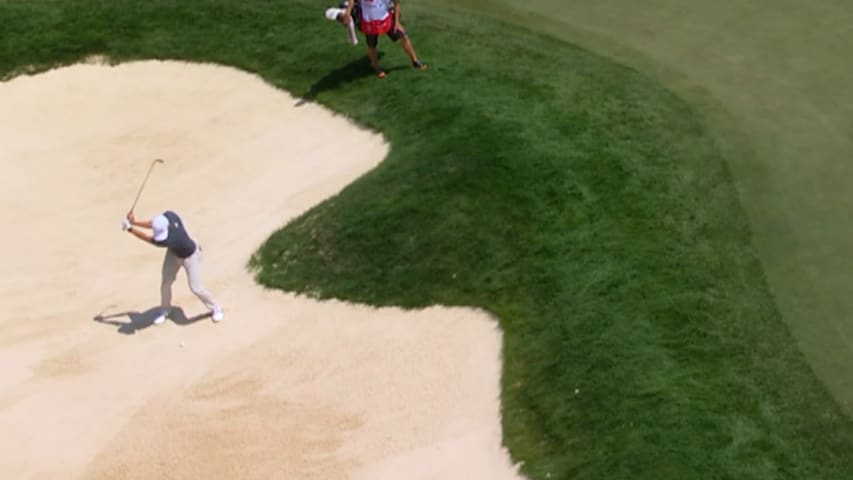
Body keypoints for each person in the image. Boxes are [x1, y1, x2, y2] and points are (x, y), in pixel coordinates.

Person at [121, 210, 224, 324]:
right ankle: (165, 309)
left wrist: (130, 229)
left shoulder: (169, 240)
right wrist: (135, 222)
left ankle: (216, 308)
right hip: (174, 254)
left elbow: (146, 237)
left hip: (190, 256)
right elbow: (153, 224)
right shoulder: (170, 215)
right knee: (166, 283)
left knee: (196, 287)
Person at [340, 0, 428, 78]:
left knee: (403, 37)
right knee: (371, 44)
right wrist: (347, 14)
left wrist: (397, 23)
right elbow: (351, 1)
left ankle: (415, 61)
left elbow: (396, 4)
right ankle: (376, 67)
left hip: (386, 19)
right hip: (369, 22)